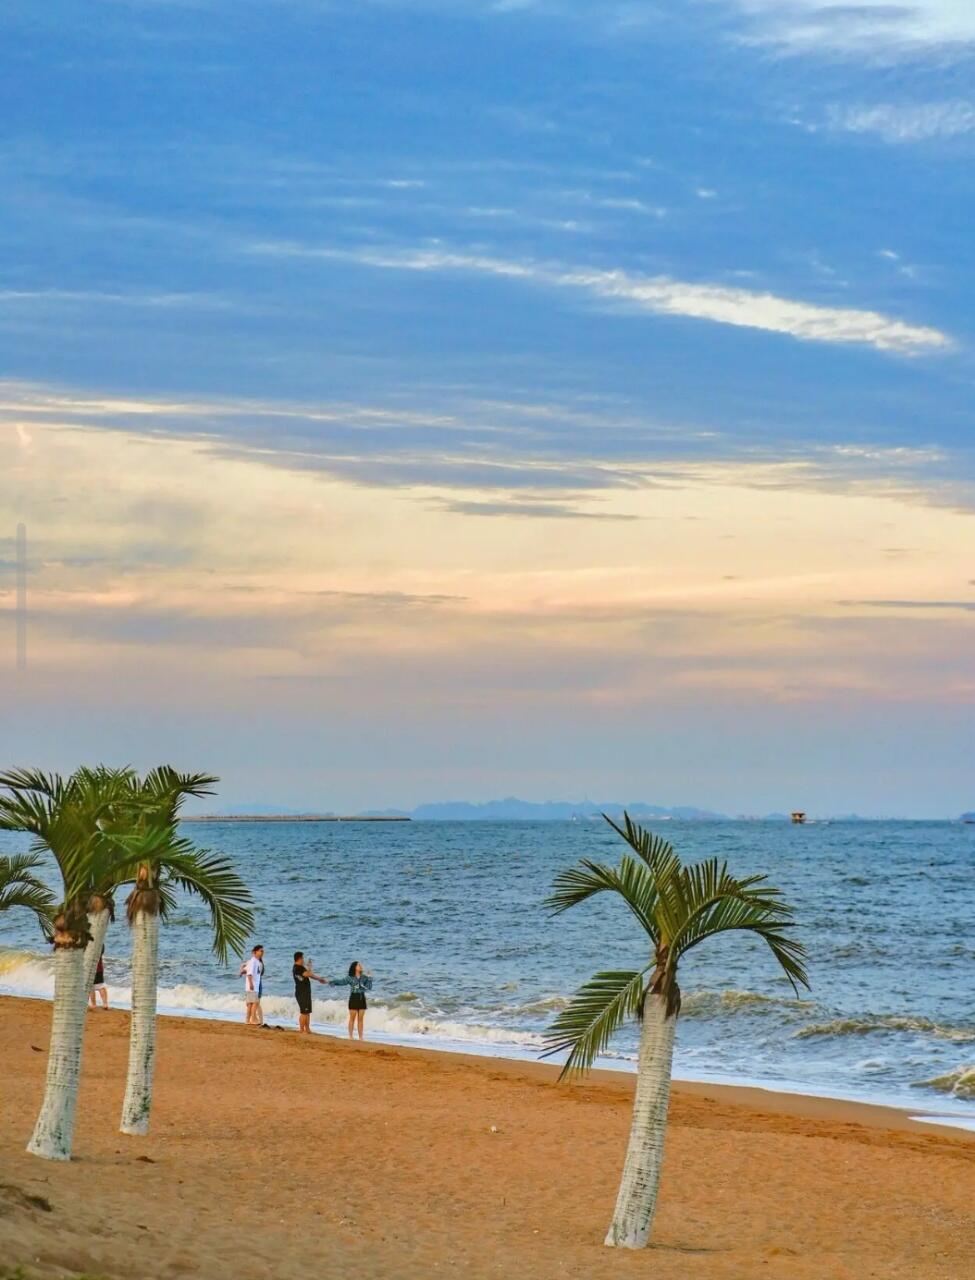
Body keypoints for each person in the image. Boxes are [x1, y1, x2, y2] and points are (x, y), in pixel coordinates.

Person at [329, 960, 373, 1040]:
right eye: (359, 965)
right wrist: (333, 982)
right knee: (352, 1018)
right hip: (354, 997)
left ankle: (361, 1037)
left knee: (361, 1019)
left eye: (360, 965)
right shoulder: (350, 977)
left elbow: (369, 987)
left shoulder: (364, 977)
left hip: (362, 998)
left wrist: (370, 977)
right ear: (355, 967)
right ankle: (351, 1036)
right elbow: (342, 982)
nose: (361, 966)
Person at [292, 951, 326, 1033]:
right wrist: (310, 967)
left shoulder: (300, 967)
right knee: (304, 1012)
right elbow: (308, 974)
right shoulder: (297, 968)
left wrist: (319, 979)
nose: (303, 960)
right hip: (301, 992)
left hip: (305, 991)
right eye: (303, 958)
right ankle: (301, 1030)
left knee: (307, 1012)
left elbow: (310, 975)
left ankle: (307, 1029)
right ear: (299, 959)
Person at [241, 944, 265, 1026]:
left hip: (254, 986)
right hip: (253, 986)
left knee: (250, 1004)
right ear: (255, 952)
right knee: (255, 1003)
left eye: (263, 951)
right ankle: (253, 1019)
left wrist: (241, 969)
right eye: (260, 951)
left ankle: (247, 1020)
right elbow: (249, 973)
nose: (262, 953)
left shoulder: (257, 962)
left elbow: (244, 970)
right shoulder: (253, 961)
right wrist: (251, 984)